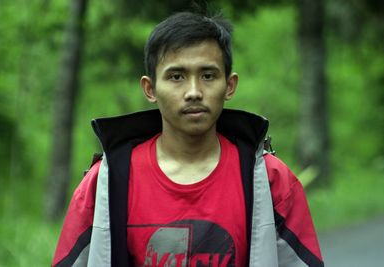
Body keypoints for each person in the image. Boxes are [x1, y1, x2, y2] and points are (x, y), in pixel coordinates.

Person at [52, 12, 324, 267]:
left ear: (229, 86)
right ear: (150, 89)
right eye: (176, 76)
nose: (194, 92)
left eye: (208, 75)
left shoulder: (270, 180)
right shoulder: (106, 183)